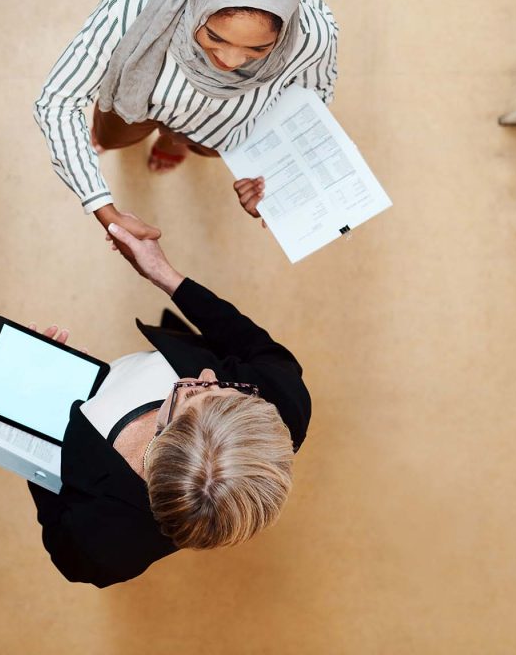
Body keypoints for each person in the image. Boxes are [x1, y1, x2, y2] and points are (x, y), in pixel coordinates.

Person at [27, 220, 311, 587]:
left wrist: (35, 406)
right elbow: (250, 343)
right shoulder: (285, 402)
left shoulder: (99, 550)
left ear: (160, 437)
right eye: (229, 386)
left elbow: (55, 518)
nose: (208, 373)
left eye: (190, 392)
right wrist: (162, 274)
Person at [33, 0, 338, 253]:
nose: (230, 61)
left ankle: (174, 141)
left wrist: (276, 177)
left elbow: (310, 98)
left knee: (202, 145)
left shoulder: (311, 38)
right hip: (135, 107)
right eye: (214, 37)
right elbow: (58, 102)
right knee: (110, 135)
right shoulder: (137, 2)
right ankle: (153, 137)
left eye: (258, 48)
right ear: (198, 3)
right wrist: (103, 207)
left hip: (219, 128)